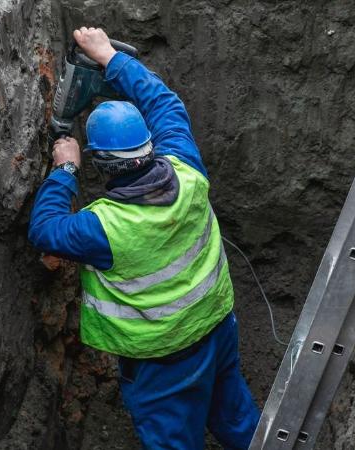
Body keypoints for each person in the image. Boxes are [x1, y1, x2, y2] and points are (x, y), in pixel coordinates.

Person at [28, 27, 260, 450]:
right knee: (235, 415)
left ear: (100, 164)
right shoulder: (186, 168)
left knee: (174, 441)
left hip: (161, 359)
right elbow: (164, 102)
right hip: (215, 326)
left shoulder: (103, 229)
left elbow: (44, 229)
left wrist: (64, 170)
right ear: (149, 147)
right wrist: (109, 57)